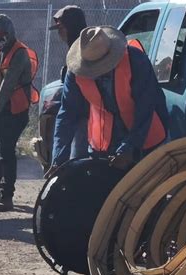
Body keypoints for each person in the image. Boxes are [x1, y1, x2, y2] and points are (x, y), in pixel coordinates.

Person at [48, 26, 170, 176]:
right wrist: (58, 159)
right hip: (104, 142)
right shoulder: (75, 73)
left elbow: (145, 107)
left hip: (145, 137)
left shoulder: (136, 61)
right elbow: (67, 114)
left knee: (147, 193)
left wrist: (129, 148)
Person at [0, 14, 39, 212]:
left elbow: (7, 87)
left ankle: (7, 196)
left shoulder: (20, 54)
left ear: (8, 35)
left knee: (6, 150)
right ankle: (0, 184)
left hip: (16, 110)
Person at [49, 5, 88, 161]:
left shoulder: (85, 51)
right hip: (85, 120)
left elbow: (69, 110)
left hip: (89, 121)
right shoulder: (74, 48)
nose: (59, 33)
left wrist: (59, 159)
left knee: (79, 164)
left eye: (61, 28)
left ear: (72, 27)